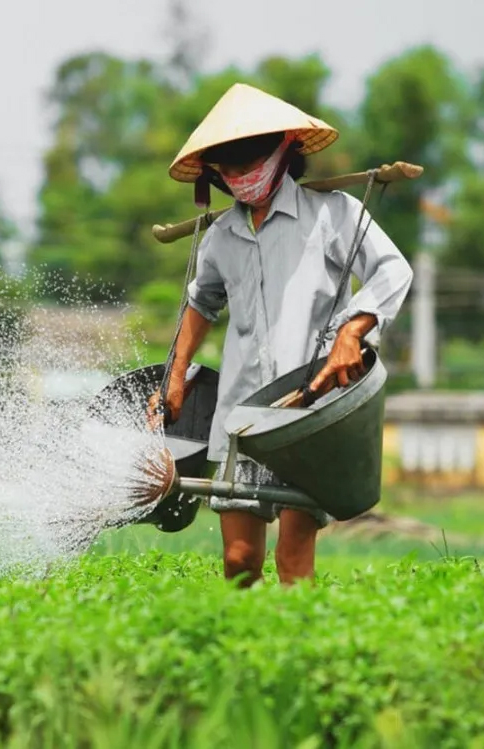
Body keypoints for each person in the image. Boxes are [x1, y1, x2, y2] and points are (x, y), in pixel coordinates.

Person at [150, 83, 413, 587]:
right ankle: (244, 635)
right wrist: (175, 375)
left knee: (294, 561)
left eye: (250, 162)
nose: (241, 177)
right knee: (239, 562)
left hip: (310, 413)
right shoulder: (221, 237)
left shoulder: (332, 214)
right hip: (243, 415)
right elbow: (201, 302)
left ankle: (298, 632)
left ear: (284, 150)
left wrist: (353, 331)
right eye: (229, 169)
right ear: (216, 175)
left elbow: (392, 270)